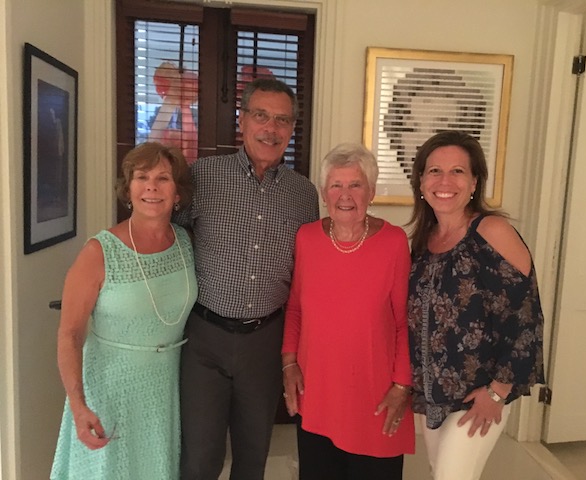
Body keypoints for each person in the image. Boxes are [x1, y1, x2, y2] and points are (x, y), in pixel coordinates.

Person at [176, 77, 319, 480]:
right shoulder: (201, 176)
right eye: (261, 116)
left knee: (253, 455)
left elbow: (309, 271)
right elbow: (165, 240)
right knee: (200, 458)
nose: (270, 129)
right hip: (204, 338)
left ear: (291, 129)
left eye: (282, 120)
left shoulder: (304, 194)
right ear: (243, 120)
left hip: (265, 342)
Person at [50, 142, 197, 479]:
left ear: (177, 193)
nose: (151, 187)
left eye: (163, 178)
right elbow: (69, 334)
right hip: (110, 387)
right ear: (128, 190)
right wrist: (78, 403)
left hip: (166, 387)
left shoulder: (186, 243)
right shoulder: (98, 251)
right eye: (141, 177)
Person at [406, 130, 545, 480]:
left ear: (474, 182)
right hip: (433, 394)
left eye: (458, 171)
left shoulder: (491, 230)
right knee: (444, 472)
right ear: (421, 181)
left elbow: (526, 318)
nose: (445, 181)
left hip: (479, 392)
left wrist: (497, 392)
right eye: (434, 170)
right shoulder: (422, 243)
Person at [282, 143, 415, 480]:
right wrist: (289, 362)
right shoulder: (307, 238)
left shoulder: (394, 242)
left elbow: (404, 321)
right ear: (324, 193)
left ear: (370, 192)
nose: (345, 195)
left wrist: (402, 386)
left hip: (374, 394)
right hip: (319, 389)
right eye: (336, 185)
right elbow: (296, 306)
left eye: (355, 185)